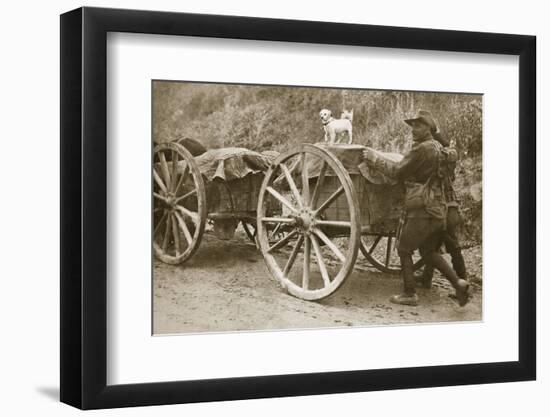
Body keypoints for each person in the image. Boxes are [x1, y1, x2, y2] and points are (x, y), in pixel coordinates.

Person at [363, 110, 470, 306]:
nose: (413, 129)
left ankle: (409, 293)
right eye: (412, 125)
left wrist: (374, 159)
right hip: (438, 209)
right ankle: (458, 283)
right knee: (428, 251)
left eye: (418, 125)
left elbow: (396, 172)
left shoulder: (421, 150)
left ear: (428, 128)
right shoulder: (439, 147)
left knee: (404, 248)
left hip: (421, 208)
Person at [415, 129, 468, 288]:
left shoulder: (434, 160)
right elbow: (450, 148)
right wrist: (438, 136)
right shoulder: (448, 159)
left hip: (443, 210)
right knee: (438, 245)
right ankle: (427, 278)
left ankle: (462, 281)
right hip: (450, 207)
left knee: (446, 246)